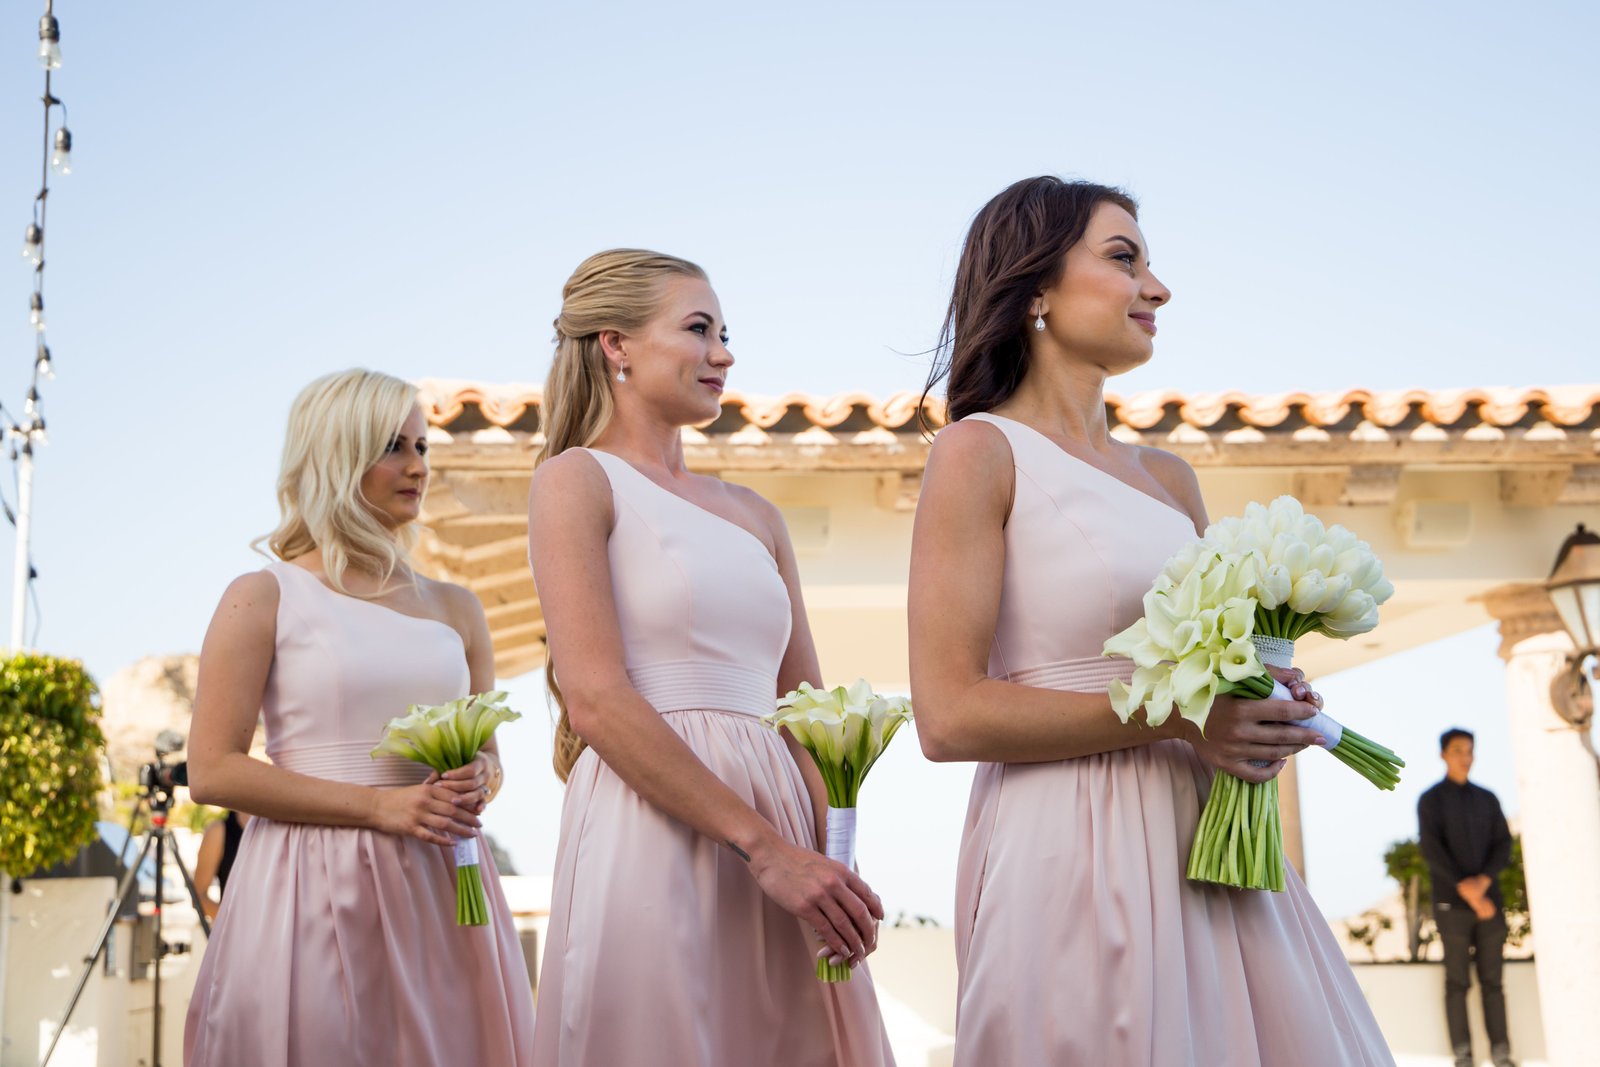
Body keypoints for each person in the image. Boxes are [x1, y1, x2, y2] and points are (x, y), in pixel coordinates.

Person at [908, 176, 1394, 1066]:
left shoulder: (1169, 479)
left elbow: (1218, 671)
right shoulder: (978, 452)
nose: (1157, 288)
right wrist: (1179, 716)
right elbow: (946, 716)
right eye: (1124, 259)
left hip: (1212, 839)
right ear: (1037, 290)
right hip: (1068, 842)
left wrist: (1264, 697)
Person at [526, 249, 894, 1066]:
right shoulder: (575, 482)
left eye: (726, 333)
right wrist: (764, 849)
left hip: (790, 837)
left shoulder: (757, 515)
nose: (724, 353)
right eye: (699, 329)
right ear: (616, 345)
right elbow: (594, 697)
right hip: (650, 820)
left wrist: (832, 858)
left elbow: (810, 714)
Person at [184, 369, 536, 1065]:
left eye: (422, 445)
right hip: (309, 881)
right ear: (336, 456)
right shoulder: (261, 595)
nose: (418, 466)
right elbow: (211, 769)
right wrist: (381, 810)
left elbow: (491, 758)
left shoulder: (456, 606)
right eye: (393, 446)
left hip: (443, 879)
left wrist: (479, 776)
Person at [1418, 727, 1516, 1067]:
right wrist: (1468, 890)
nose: (1466, 756)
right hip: (1452, 905)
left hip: (1490, 902)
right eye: (1459, 750)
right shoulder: (1430, 800)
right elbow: (1432, 851)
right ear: (1444, 754)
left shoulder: (1487, 799)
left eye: (1470, 750)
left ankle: (1502, 1054)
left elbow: (1504, 844)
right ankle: (1463, 1056)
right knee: (1457, 980)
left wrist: (1483, 882)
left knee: (1493, 981)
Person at [191, 809, 250, 920]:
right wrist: (237, 923)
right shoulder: (219, 830)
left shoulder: (281, 824)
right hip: (237, 933)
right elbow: (198, 897)